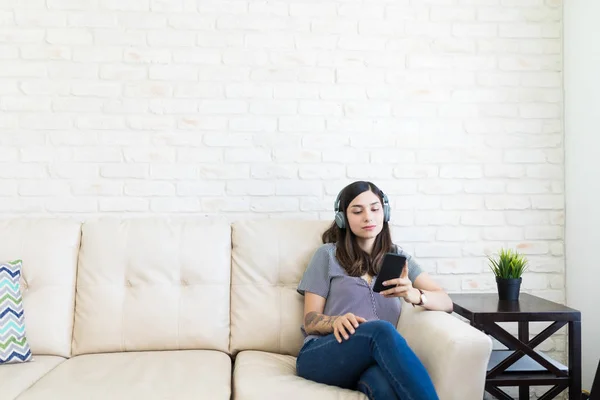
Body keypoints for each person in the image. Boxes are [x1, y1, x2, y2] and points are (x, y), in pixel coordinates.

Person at [296, 180, 453, 400]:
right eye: (357, 211)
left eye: (375, 209)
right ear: (343, 218)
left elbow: (446, 301)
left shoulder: (399, 259)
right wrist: (334, 322)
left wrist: (413, 294)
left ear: (385, 212)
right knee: (381, 330)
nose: (368, 217)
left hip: (370, 361)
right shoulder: (327, 255)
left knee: (385, 389)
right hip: (323, 354)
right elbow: (309, 320)